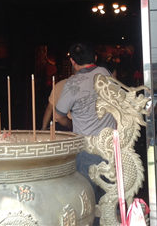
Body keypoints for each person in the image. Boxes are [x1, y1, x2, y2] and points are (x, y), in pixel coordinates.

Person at [56, 43, 115, 197]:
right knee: (111, 195)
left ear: (72, 61)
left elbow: (58, 116)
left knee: (88, 197)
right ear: (95, 57)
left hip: (87, 149)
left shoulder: (72, 84)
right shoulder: (105, 74)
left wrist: (71, 124)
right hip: (110, 146)